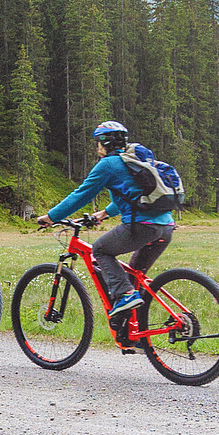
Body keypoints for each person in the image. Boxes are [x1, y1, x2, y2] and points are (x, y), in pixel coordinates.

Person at [41, 120, 174, 326]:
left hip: (142, 227)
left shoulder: (108, 165)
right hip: (165, 227)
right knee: (133, 278)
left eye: (98, 143)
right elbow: (133, 196)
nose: (97, 148)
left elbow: (81, 195)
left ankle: (126, 296)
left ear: (105, 142)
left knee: (101, 250)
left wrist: (52, 216)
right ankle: (133, 333)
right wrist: (103, 214)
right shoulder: (132, 160)